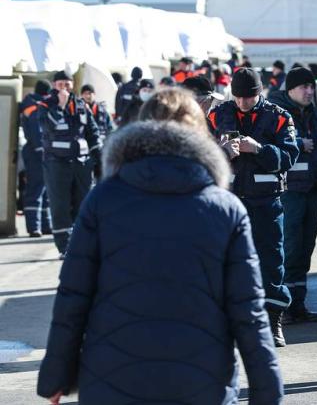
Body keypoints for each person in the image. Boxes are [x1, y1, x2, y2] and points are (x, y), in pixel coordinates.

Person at [37, 88, 284, 405]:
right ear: (200, 136)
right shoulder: (225, 209)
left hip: (113, 380)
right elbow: (248, 311)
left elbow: (74, 294)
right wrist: (267, 393)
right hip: (201, 383)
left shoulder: (102, 200)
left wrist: (56, 376)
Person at [209, 68, 300, 347]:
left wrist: (259, 149)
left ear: (259, 93)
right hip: (229, 202)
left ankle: (273, 322)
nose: (242, 103)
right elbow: (200, 151)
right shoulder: (217, 114)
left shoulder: (280, 117)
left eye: (248, 98)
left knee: (271, 263)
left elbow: (289, 157)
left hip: (266, 202)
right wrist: (222, 153)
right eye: (238, 97)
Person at [268, 67, 317, 324]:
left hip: (311, 189)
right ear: (290, 89)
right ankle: (280, 308)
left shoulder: (316, 115)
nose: (309, 92)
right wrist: (297, 144)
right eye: (303, 87)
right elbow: (268, 147)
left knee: (305, 248)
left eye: (311, 87)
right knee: (288, 247)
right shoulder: (275, 113)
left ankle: (298, 305)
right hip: (288, 190)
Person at [39, 70, 101, 257]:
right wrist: (60, 105)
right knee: (60, 205)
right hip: (57, 163)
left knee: (83, 203)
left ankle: (80, 242)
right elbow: (46, 127)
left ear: (72, 84)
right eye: (60, 85)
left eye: (67, 84)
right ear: (54, 86)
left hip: (81, 164)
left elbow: (92, 131)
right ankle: (64, 246)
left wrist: (98, 156)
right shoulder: (45, 104)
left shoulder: (81, 104)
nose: (64, 88)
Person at [19, 80, 53, 237]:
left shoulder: (35, 103)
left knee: (45, 190)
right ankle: (34, 226)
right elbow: (36, 131)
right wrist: (43, 151)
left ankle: (45, 225)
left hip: (42, 151)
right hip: (37, 152)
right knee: (36, 189)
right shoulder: (34, 105)